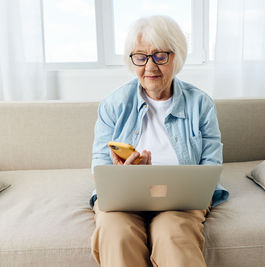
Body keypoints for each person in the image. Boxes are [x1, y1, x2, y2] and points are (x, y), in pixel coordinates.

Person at [89, 15, 229, 267]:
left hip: (180, 202)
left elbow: (211, 165)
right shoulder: (113, 104)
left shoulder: (201, 104)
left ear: (176, 57)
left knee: (172, 234)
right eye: (140, 57)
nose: (150, 67)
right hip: (124, 200)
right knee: (117, 233)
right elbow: (99, 166)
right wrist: (121, 175)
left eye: (160, 56)